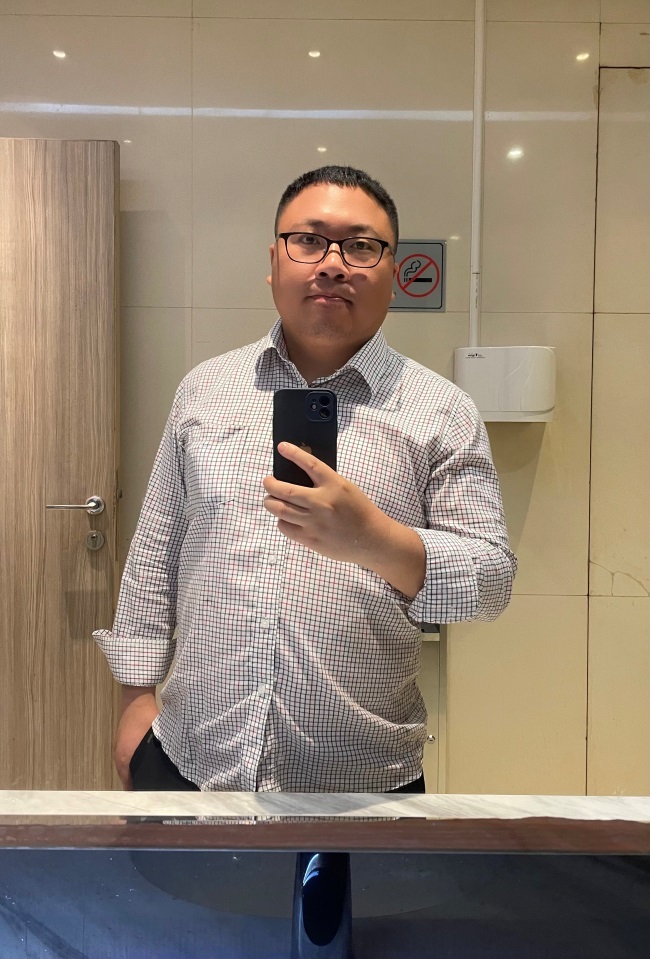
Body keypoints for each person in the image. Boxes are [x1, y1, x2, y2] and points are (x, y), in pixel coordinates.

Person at [94, 165, 517, 794]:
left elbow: (491, 581)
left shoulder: (440, 410)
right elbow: (157, 551)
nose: (333, 264)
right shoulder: (205, 391)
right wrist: (135, 701)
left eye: (362, 246)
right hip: (191, 758)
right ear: (274, 262)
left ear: (393, 272)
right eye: (310, 241)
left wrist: (375, 539)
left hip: (363, 783)